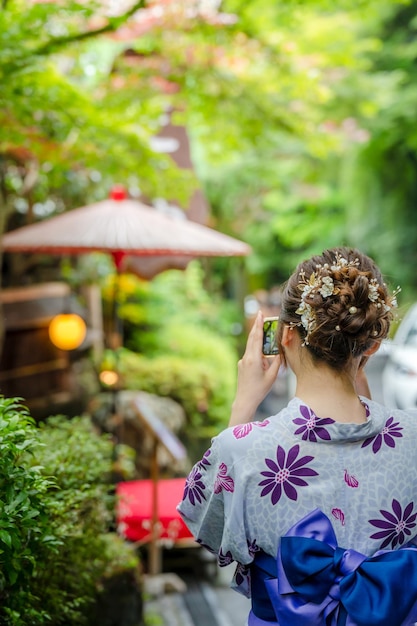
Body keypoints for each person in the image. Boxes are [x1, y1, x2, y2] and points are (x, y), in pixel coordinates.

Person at [177, 246, 417, 626]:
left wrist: (243, 406)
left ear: (286, 335)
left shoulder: (241, 449)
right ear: (372, 344)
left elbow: (210, 530)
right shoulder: (413, 438)